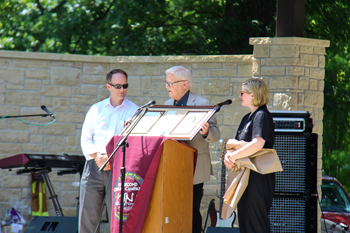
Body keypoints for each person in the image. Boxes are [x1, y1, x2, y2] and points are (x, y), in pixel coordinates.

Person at [79, 69, 139, 233]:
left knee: (118, 219)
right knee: (87, 217)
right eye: (118, 86)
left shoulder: (135, 112)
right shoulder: (96, 109)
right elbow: (85, 140)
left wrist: (111, 159)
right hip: (93, 165)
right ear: (108, 86)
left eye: (125, 86)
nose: (122, 90)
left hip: (119, 169)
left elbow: (133, 144)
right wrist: (99, 156)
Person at [163, 66, 221, 233]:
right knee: (173, 211)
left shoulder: (203, 104)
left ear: (185, 84)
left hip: (193, 168)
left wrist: (206, 132)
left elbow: (216, 134)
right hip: (171, 166)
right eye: (166, 83)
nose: (167, 86)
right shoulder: (166, 105)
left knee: (192, 212)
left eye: (171, 83)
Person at [224, 78, 275, 233]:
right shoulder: (246, 118)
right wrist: (229, 156)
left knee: (256, 224)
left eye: (242, 93)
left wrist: (233, 157)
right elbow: (239, 145)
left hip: (258, 177)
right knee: (245, 223)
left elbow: (258, 143)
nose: (240, 96)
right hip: (244, 175)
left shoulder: (262, 115)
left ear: (253, 95)